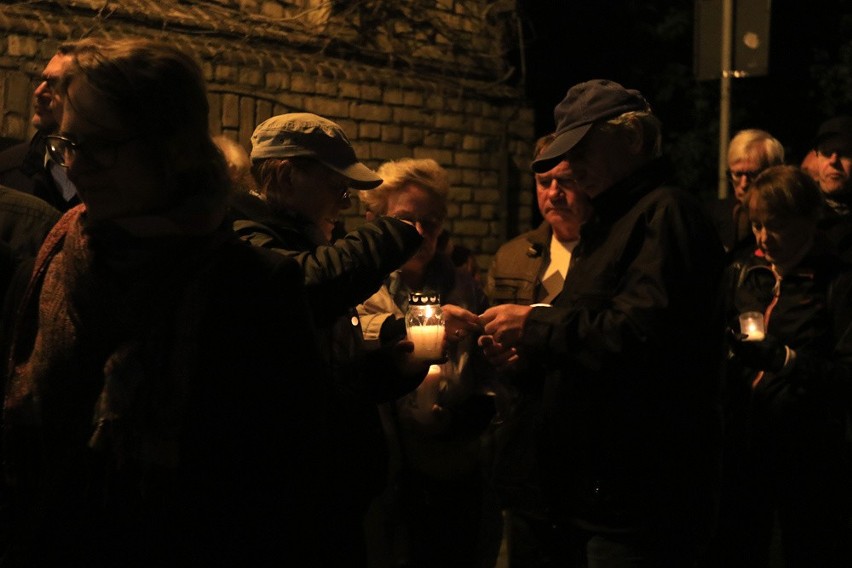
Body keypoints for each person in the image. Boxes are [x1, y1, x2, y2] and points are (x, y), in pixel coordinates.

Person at [0, 38, 329, 566]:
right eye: (69, 145)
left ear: (171, 145)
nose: (78, 168)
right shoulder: (51, 258)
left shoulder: (253, 289)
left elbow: (284, 490)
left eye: (101, 146)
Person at [477, 79, 727, 566]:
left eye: (583, 148)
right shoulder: (607, 225)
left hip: (640, 500)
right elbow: (585, 333)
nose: (568, 167)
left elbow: (639, 334)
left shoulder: (664, 213)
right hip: (589, 496)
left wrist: (534, 327)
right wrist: (524, 358)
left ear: (631, 140)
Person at [234, 112, 430, 565]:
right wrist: (395, 229)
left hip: (328, 490)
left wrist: (395, 367)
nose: (344, 200)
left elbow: (329, 375)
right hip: (283, 497)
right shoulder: (243, 238)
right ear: (286, 175)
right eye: (335, 185)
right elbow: (301, 289)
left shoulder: (299, 238)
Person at [355, 157, 500, 568]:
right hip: (384, 477)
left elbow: (488, 375)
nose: (420, 234)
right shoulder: (359, 286)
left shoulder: (466, 288)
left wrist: (463, 420)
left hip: (452, 471)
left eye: (431, 222)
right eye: (405, 221)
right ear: (374, 219)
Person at [715, 165, 852, 567]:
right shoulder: (745, 273)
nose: (762, 237)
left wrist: (785, 359)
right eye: (756, 225)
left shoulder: (836, 283)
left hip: (807, 456)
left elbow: (846, 374)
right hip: (743, 448)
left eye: (774, 225)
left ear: (807, 221)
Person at [477, 133, 592, 566]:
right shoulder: (513, 256)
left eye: (565, 181)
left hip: (582, 436)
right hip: (525, 436)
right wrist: (494, 348)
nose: (554, 194)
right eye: (544, 182)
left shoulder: (604, 255)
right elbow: (493, 331)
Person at [0, 44, 79, 211]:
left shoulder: (113, 176)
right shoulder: (8, 170)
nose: (38, 91)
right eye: (42, 80)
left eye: (54, 84)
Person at [705, 129, 784, 255]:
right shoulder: (712, 215)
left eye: (753, 175)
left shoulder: (790, 219)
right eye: (737, 174)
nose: (743, 184)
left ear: (774, 172)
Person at [811, 115, 852, 258]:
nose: (833, 161)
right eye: (827, 153)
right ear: (816, 157)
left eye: (844, 153)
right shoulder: (800, 208)